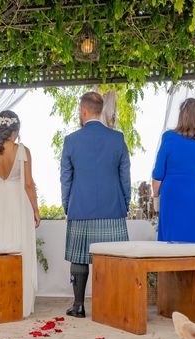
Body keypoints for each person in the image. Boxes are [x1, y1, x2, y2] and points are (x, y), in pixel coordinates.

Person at [61, 91, 131, 318]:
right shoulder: (117, 138)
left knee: (79, 259)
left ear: (83, 111)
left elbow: (66, 179)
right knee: (112, 260)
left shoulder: (71, 141)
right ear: (100, 111)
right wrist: (125, 203)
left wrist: (67, 206)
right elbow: (125, 177)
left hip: (80, 209)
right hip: (113, 210)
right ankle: (112, 306)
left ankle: (78, 306)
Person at [0, 110, 40, 318]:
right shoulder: (22, 150)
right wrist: (35, 209)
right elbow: (28, 184)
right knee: (20, 250)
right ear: (15, 130)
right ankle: (19, 302)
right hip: (18, 205)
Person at [152, 98, 195, 244]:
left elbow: (158, 175)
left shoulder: (169, 139)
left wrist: (155, 197)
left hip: (173, 196)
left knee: (171, 245)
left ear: (182, 116)